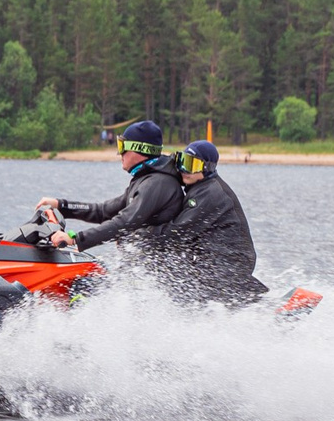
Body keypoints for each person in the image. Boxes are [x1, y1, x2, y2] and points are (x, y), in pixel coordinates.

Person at [36, 120, 183, 255]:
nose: (119, 154)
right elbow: (103, 212)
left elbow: (124, 222)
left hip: (160, 269)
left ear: (140, 150)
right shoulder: (145, 179)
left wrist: (75, 238)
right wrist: (61, 205)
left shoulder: (156, 184)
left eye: (122, 147)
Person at [150, 139, 269, 304]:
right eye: (182, 162)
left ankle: (261, 307)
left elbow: (178, 231)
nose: (185, 170)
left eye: (192, 165)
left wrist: (142, 235)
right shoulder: (199, 187)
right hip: (210, 258)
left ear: (207, 168)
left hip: (230, 261)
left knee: (187, 283)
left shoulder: (210, 193)